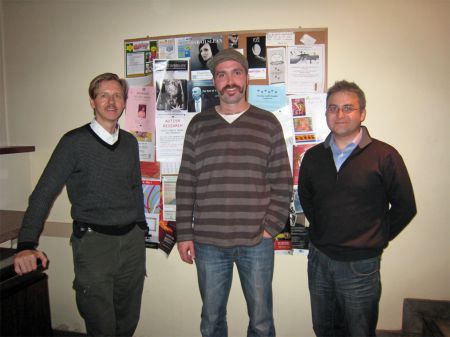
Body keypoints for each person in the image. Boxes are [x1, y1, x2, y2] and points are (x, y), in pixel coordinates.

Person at [14, 72, 147, 337]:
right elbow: (43, 193)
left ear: (124, 101)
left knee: (128, 320)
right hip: (94, 244)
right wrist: (26, 244)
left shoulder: (130, 143)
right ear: (92, 101)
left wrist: (141, 227)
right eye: (104, 95)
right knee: (101, 323)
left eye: (117, 95)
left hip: (132, 243)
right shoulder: (73, 143)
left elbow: (134, 188)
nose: (111, 101)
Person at [176, 48, 292, 337]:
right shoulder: (198, 125)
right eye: (222, 74)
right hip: (208, 243)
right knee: (212, 321)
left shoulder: (267, 123)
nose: (230, 80)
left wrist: (270, 228)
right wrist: (183, 233)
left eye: (236, 72)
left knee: (262, 322)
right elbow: (186, 181)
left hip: (257, 242)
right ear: (215, 82)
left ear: (246, 78)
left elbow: (282, 180)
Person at [298, 80, 417, 337]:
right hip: (319, 260)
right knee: (324, 329)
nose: (340, 114)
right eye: (333, 108)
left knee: (359, 331)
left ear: (362, 113)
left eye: (348, 108)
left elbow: (406, 206)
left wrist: (375, 237)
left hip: (360, 265)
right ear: (326, 113)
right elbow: (306, 199)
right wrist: (323, 229)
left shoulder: (385, 155)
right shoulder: (313, 156)